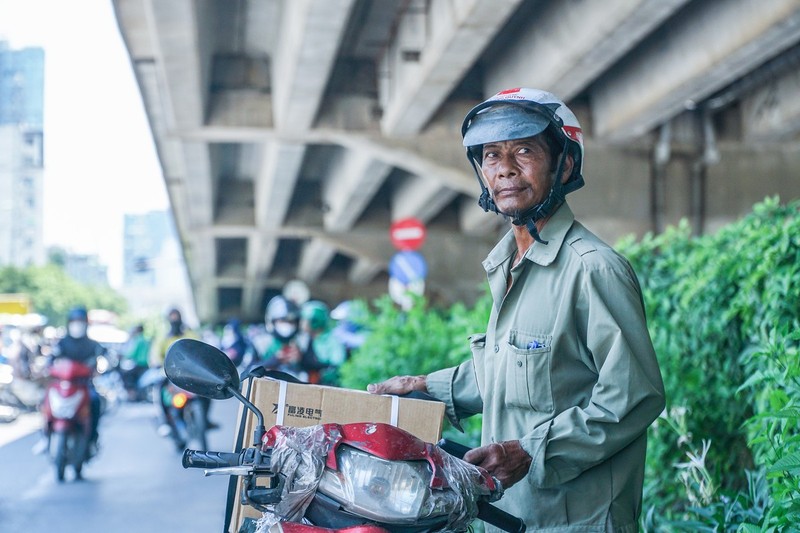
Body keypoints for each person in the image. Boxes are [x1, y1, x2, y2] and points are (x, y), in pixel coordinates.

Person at [367, 88, 666, 532]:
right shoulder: (508, 263)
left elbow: (635, 397)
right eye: (491, 155)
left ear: (563, 163)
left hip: (575, 522)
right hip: (510, 516)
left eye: (524, 150)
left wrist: (532, 451)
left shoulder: (592, 269)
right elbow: (517, 367)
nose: (505, 168)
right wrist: (425, 386)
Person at [48, 307, 106, 455]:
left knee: (95, 402)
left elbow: (104, 359)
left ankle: (92, 439)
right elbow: (51, 360)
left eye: (80, 321)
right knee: (47, 399)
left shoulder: (93, 345)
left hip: (84, 386)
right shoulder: (62, 343)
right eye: (74, 321)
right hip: (65, 386)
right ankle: (45, 436)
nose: (77, 324)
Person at [298, 300, 346, 385]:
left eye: (305, 320)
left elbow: (337, 367)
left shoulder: (333, 341)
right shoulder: (304, 338)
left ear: (315, 321)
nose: (301, 323)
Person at [120, 324, 150, 401]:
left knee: (126, 374)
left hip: (139, 364)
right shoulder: (145, 340)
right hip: (145, 365)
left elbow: (132, 353)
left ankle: (132, 394)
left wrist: (123, 355)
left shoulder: (138, 340)